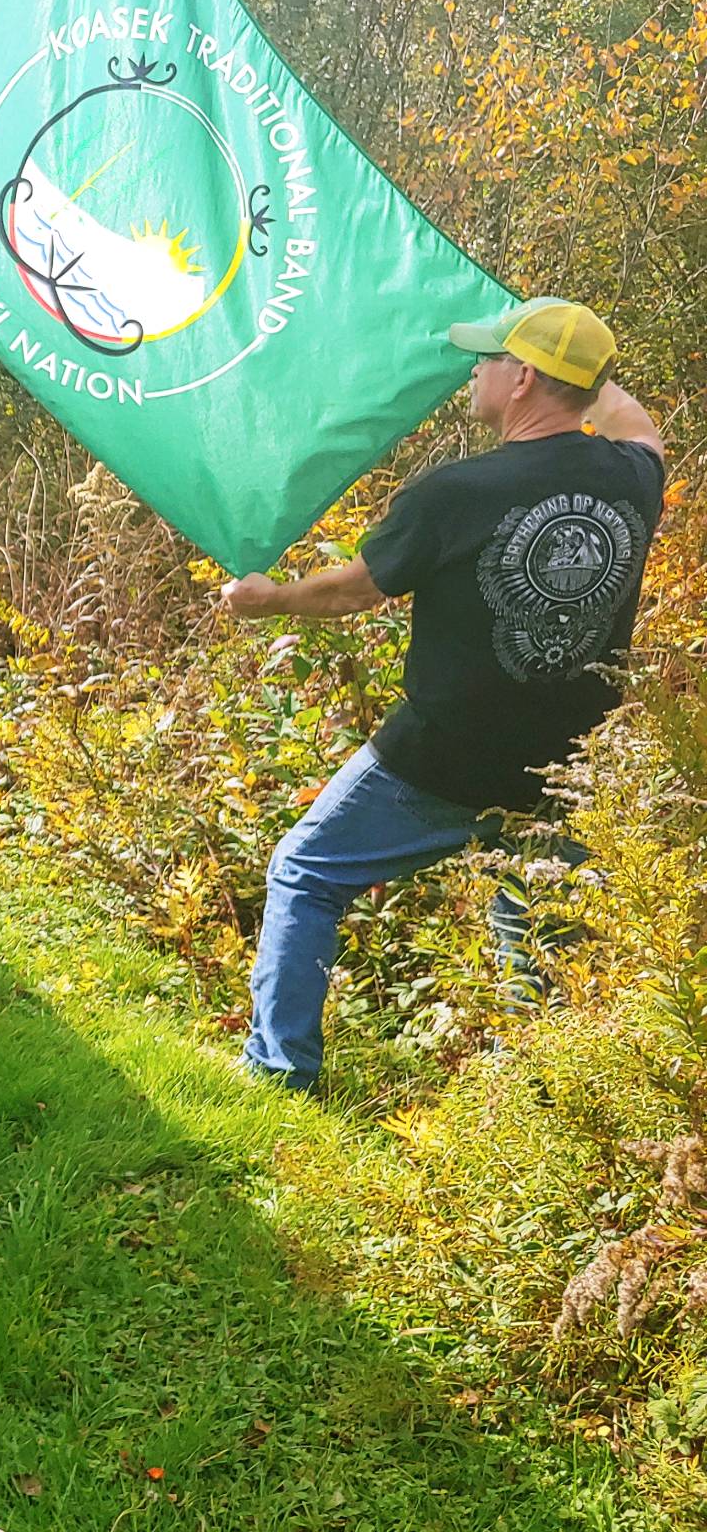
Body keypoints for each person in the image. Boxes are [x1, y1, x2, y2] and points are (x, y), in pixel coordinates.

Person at [217, 298, 666, 1089]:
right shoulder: (634, 479)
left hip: (435, 765)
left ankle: (278, 1073)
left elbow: (355, 592)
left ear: (522, 378)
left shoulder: (455, 492)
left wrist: (267, 599)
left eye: (489, 358)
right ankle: (547, 1110)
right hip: (565, 773)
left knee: (304, 873)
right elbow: (641, 425)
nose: (474, 369)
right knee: (533, 944)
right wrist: (588, 377)